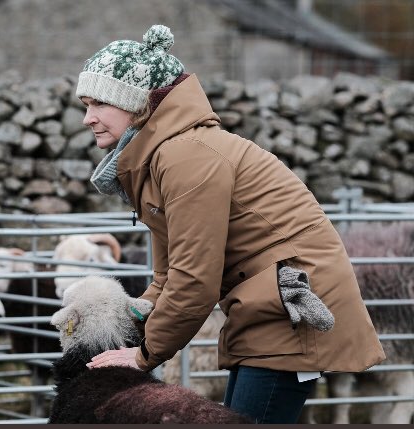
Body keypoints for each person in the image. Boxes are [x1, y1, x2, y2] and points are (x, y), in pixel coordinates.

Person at [77, 24, 385, 423]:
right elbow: (168, 271)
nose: (88, 118)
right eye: (85, 105)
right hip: (261, 306)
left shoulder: (184, 156)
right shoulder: (161, 156)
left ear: (135, 103)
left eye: (98, 103)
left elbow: (194, 278)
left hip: (290, 308)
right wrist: (136, 315)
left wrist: (143, 355)